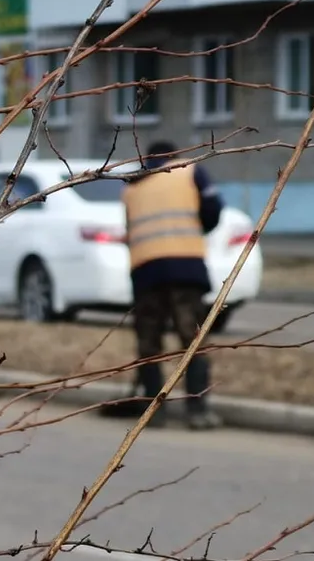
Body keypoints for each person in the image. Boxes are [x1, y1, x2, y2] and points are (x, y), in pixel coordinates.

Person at [99, 141, 226, 430]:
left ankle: (153, 411)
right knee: (192, 340)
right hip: (186, 267)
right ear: (174, 156)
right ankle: (198, 410)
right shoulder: (190, 171)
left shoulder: (132, 187)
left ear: (148, 159)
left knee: (149, 344)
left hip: (146, 271)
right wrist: (196, 230)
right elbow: (213, 210)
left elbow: (132, 229)